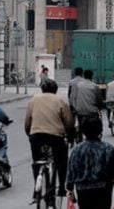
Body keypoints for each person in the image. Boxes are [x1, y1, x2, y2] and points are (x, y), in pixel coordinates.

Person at [25, 78, 74, 209]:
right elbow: (69, 122)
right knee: (62, 161)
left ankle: (37, 186)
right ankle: (62, 188)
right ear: (56, 90)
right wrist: (70, 137)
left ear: (42, 89)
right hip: (55, 137)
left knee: (37, 162)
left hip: (36, 137)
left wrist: (30, 134)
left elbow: (27, 122)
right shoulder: (60, 101)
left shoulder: (33, 100)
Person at [65, 115, 114, 209]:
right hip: (104, 190)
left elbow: (71, 171)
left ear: (83, 131)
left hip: (83, 191)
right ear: (100, 130)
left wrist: (70, 189)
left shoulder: (76, 150)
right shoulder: (108, 149)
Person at [70, 68, 103, 137]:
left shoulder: (78, 85)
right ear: (92, 76)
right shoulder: (95, 86)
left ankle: (79, 134)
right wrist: (100, 108)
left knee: (80, 123)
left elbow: (73, 96)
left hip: (79, 111)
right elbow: (99, 100)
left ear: (84, 76)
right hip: (91, 112)